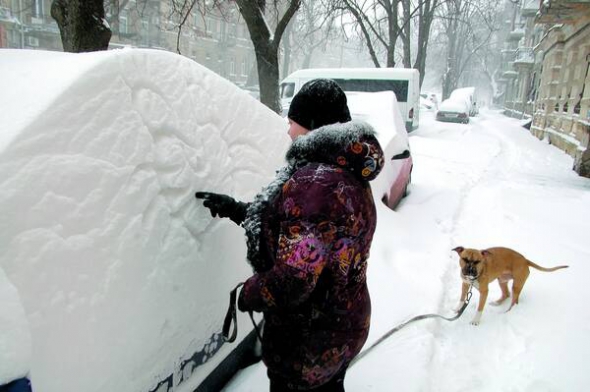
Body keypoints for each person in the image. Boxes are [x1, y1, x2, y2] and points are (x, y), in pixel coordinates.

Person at [195, 79, 384, 391]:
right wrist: (240, 211)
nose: (287, 130)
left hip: (309, 341)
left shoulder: (316, 184)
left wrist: (250, 292)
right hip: (342, 324)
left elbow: (295, 277)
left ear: (311, 125)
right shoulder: (344, 172)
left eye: (292, 121)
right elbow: (314, 234)